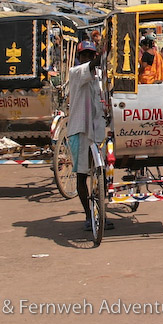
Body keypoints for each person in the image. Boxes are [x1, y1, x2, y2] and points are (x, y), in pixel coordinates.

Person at [65, 41, 111, 232]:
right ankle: (87, 215)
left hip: (96, 131)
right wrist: (106, 52)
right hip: (80, 131)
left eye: (90, 55)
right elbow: (93, 65)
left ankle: (100, 213)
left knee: (100, 174)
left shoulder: (98, 77)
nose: (88, 58)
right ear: (80, 57)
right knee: (82, 175)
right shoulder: (75, 72)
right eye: (85, 55)